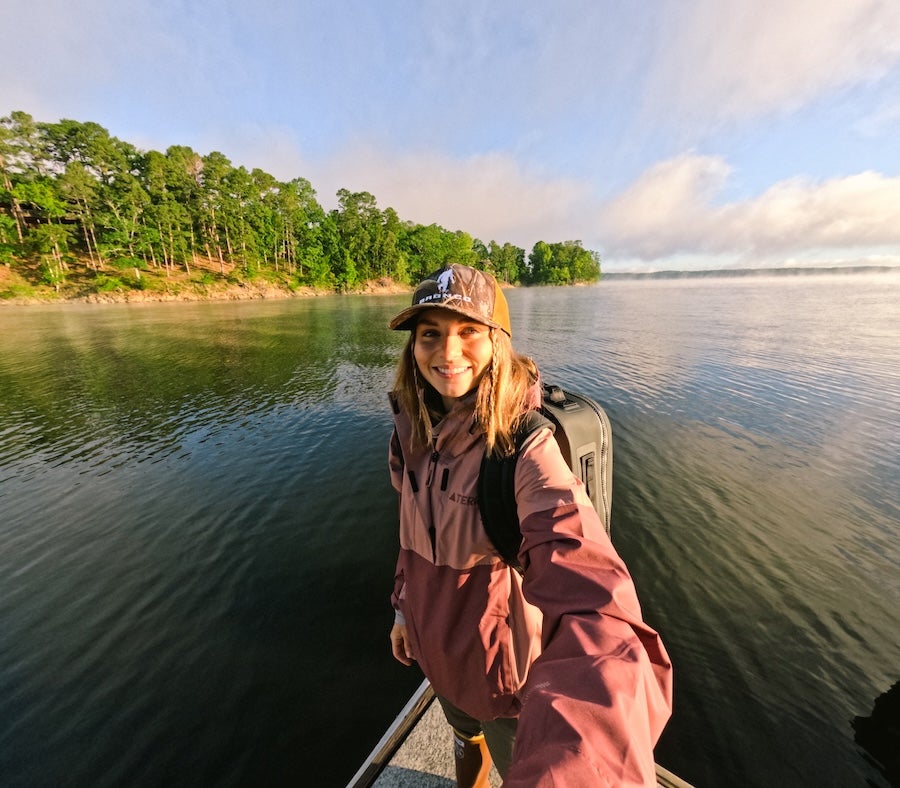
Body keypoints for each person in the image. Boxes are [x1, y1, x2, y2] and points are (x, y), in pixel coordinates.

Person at [387, 263, 672, 786]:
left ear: (498, 340)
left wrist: (591, 753)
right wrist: (404, 608)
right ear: (413, 347)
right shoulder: (412, 427)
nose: (448, 353)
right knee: (462, 741)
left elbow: (594, 595)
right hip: (435, 650)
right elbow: (410, 535)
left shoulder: (526, 449)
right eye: (431, 334)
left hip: (504, 677)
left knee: (508, 753)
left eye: (469, 332)